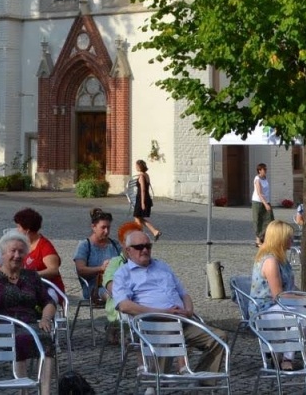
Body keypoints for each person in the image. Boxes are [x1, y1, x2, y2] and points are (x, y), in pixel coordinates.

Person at [112, 230, 223, 371]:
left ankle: (203, 383)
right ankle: (158, 381)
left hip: (182, 321)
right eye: (140, 247)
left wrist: (188, 311)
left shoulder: (162, 266)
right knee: (168, 333)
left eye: (148, 246)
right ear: (128, 251)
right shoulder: (123, 273)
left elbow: (184, 294)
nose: (145, 250)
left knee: (219, 337)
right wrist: (164, 312)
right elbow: (124, 306)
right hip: (153, 325)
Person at [0, 229, 58, 393]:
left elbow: (48, 301)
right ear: (3, 254)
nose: (17, 255)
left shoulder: (31, 277)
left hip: (30, 323)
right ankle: (22, 390)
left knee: (46, 338)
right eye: (13, 251)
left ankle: (45, 391)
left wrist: (45, 318)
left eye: (21, 251)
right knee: (20, 338)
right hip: (3, 325)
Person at [73, 208, 121, 306]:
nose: (106, 231)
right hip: (94, 288)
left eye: (108, 227)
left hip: (117, 284)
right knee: (115, 294)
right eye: (103, 228)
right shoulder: (85, 245)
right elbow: (80, 269)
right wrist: (101, 268)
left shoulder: (115, 245)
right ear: (93, 227)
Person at [14, 207, 63, 293]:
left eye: (18, 227)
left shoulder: (45, 246)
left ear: (27, 230)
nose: (16, 230)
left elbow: (53, 270)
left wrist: (32, 275)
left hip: (48, 290)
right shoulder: (23, 244)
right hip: (30, 287)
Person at [251, 219, 296, 299]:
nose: (292, 240)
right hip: (268, 307)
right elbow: (278, 296)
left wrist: (303, 295)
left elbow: (288, 285)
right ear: (280, 239)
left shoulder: (280, 257)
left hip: (283, 303)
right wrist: (304, 298)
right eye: (289, 237)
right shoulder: (270, 261)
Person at [131, 159, 162, 241]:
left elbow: (143, 190)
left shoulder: (141, 176)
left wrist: (142, 203)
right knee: (139, 218)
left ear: (139, 166)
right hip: (146, 198)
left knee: (137, 218)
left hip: (142, 198)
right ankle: (154, 231)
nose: (136, 167)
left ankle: (139, 236)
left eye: (136, 166)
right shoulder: (146, 175)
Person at [251, 163, 273, 246]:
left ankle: (264, 238)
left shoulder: (265, 178)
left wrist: (267, 203)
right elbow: (259, 193)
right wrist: (265, 204)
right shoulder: (257, 179)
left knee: (269, 220)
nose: (266, 171)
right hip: (258, 202)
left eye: (266, 169)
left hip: (266, 201)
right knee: (258, 220)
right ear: (259, 170)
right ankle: (258, 240)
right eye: (264, 169)